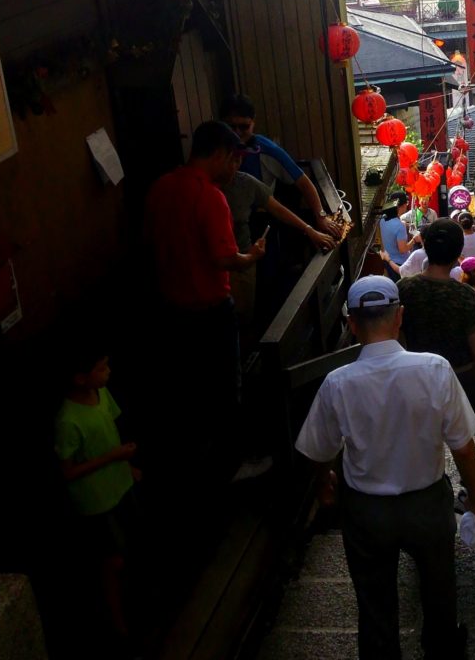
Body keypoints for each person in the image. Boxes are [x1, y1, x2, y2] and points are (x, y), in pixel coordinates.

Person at [296, 276, 475, 660]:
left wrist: (324, 482)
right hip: (428, 504)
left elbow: (319, 449)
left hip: (367, 511)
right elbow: (464, 448)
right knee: (439, 593)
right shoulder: (434, 368)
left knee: (375, 604)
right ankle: (442, 650)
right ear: (400, 316)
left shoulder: (337, 383)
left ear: (351, 323)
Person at [143, 121, 265, 472]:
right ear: (219, 154)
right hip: (210, 309)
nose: (235, 168)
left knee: (187, 388)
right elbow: (225, 259)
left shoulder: (160, 188)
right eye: (234, 159)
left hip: (169, 308)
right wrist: (252, 256)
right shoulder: (210, 197)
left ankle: (191, 463)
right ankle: (231, 466)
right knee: (225, 388)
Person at [399, 219, 475, 503]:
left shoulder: (404, 289)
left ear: (426, 248)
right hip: (461, 380)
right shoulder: (464, 295)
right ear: (458, 253)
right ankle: (474, 488)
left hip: (415, 379)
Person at [54, 341, 139, 644]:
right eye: (101, 368)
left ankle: (132, 610)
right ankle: (117, 625)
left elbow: (110, 431)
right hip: (96, 501)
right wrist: (114, 457)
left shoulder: (101, 394)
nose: (108, 372)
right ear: (80, 378)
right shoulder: (67, 420)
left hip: (120, 485)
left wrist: (126, 467)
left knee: (128, 551)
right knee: (112, 563)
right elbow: (67, 472)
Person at [220, 155, 336, 334]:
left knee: (243, 320)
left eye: (238, 160)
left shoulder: (245, 182)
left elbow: (277, 208)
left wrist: (309, 229)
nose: (235, 165)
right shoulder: (207, 191)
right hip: (221, 266)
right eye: (231, 160)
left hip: (244, 263)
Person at [220, 93, 341, 240]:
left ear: (253, 122)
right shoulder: (214, 150)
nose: (237, 133)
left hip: (258, 222)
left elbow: (303, 182)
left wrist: (321, 217)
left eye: (244, 126)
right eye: (231, 127)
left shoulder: (266, 150)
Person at [379, 192, 414, 280]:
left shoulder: (382, 219)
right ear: (403, 206)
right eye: (406, 204)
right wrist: (414, 239)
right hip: (399, 265)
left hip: (387, 260)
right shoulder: (400, 226)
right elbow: (403, 249)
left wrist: (404, 224)